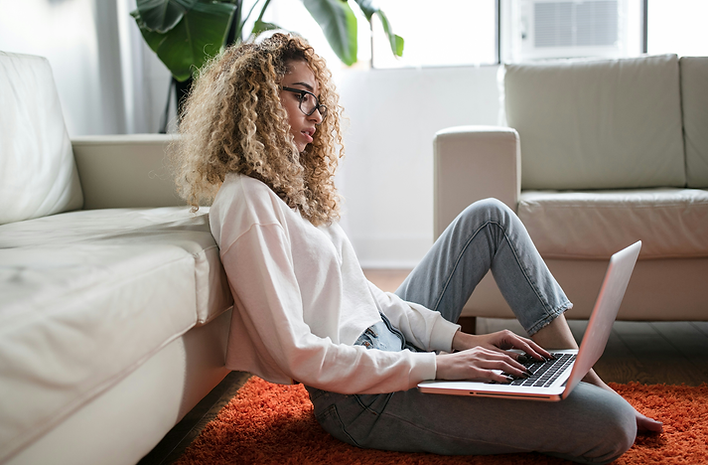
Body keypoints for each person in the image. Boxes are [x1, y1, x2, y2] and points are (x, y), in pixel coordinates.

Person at [172, 32, 662, 464]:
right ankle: (580, 392)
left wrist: (457, 341)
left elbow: (366, 295)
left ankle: (578, 371)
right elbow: (298, 354)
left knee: (489, 216)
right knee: (612, 426)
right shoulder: (246, 201)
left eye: (318, 101)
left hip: (390, 343)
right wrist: (438, 365)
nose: (315, 115)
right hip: (361, 398)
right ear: (256, 99)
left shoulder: (290, 188)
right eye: (301, 97)